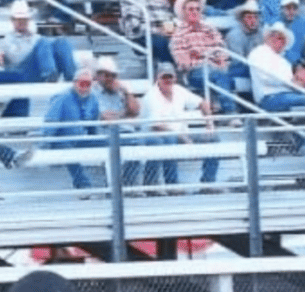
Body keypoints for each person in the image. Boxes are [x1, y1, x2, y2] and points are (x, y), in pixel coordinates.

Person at [141, 62, 220, 191]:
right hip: (157, 137)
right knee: (168, 139)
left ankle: (208, 183)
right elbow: (157, 126)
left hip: (182, 135)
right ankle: (172, 185)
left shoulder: (179, 90)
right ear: (157, 78)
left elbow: (203, 103)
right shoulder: (152, 96)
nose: (168, 80)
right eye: (164, 77)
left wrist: (209, 125)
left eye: (170, 77)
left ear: (175, 78)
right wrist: (185, 139)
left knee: (213, 138)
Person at [170, 0, 238, 119]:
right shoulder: (178, 34)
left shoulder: (209, 29)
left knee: (226, 73)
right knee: (220, 76)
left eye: (197, 9)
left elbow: (221, 48)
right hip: (193, 74)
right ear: (184, 12)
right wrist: (209, 60)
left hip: (215, 69)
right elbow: (184, 63)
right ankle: (231, 113)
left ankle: (222, 111)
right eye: (191, 9)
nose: (195, 12)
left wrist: (217, 59)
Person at [41, 69, 103, 193]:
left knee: (111, 144)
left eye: (88, 84)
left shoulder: (94, 99)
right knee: (67, 148)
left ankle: (111, 186)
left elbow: (93, 125)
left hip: (80, 138)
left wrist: (95, 141)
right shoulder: (62, 98)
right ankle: (84, 186)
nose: (84, 88)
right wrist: (45, 147)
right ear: (75, 83)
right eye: (82, 83)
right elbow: (50, 124)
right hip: (61, 140)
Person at [92, 56, 143, 188]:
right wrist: (124, 115)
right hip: (104, 133)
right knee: (123, 144)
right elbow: (107, 118)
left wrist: (127, 92)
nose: (110, 79)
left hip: (125, 131)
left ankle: (130, 185)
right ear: (98, 76)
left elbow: (135, 111)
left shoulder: (121, 90)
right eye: (107, 75)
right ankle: (114, 187)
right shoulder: (92, 92)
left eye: (113, 75)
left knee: (138, 143)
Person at [1, 1, 78, 83]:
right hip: (22, 73)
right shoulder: (8, 39)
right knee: (44, 42)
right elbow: (17, 59)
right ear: (12, 20)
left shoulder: (36, 37)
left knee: (62, 42)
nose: (21, 22)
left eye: (24, 19)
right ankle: (49, 75)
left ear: (28, 20)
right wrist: (35, 46)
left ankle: (72, 77)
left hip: (37, 69)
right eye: (18, 19)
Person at [248, 22, 305, 112]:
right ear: (268, 37)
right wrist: (291, 82)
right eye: (277, 37)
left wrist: (298, 83)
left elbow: (291, 81)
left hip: (287, 95)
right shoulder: (258, 52)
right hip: (269, 97)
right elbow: (265, 77)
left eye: (283, 39)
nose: (280, 41)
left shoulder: (284, 62)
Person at [120, 0, 177, 66]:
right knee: (163, 43)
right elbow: (133, 27)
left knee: (184, 40)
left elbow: (167, 16)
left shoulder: (162, 2)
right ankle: (167, 71)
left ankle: (185, 73)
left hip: (161, 33)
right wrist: (158, 30)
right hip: (141, 36)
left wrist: (171, 30)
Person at [225, 0, 264, 84]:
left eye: (256, 17)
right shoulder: (234, 35)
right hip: (236, 68)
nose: (253, 20)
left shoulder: (260, 33)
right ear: (242, 19)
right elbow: (239, 61)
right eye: (249, 17)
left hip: (254, 66)